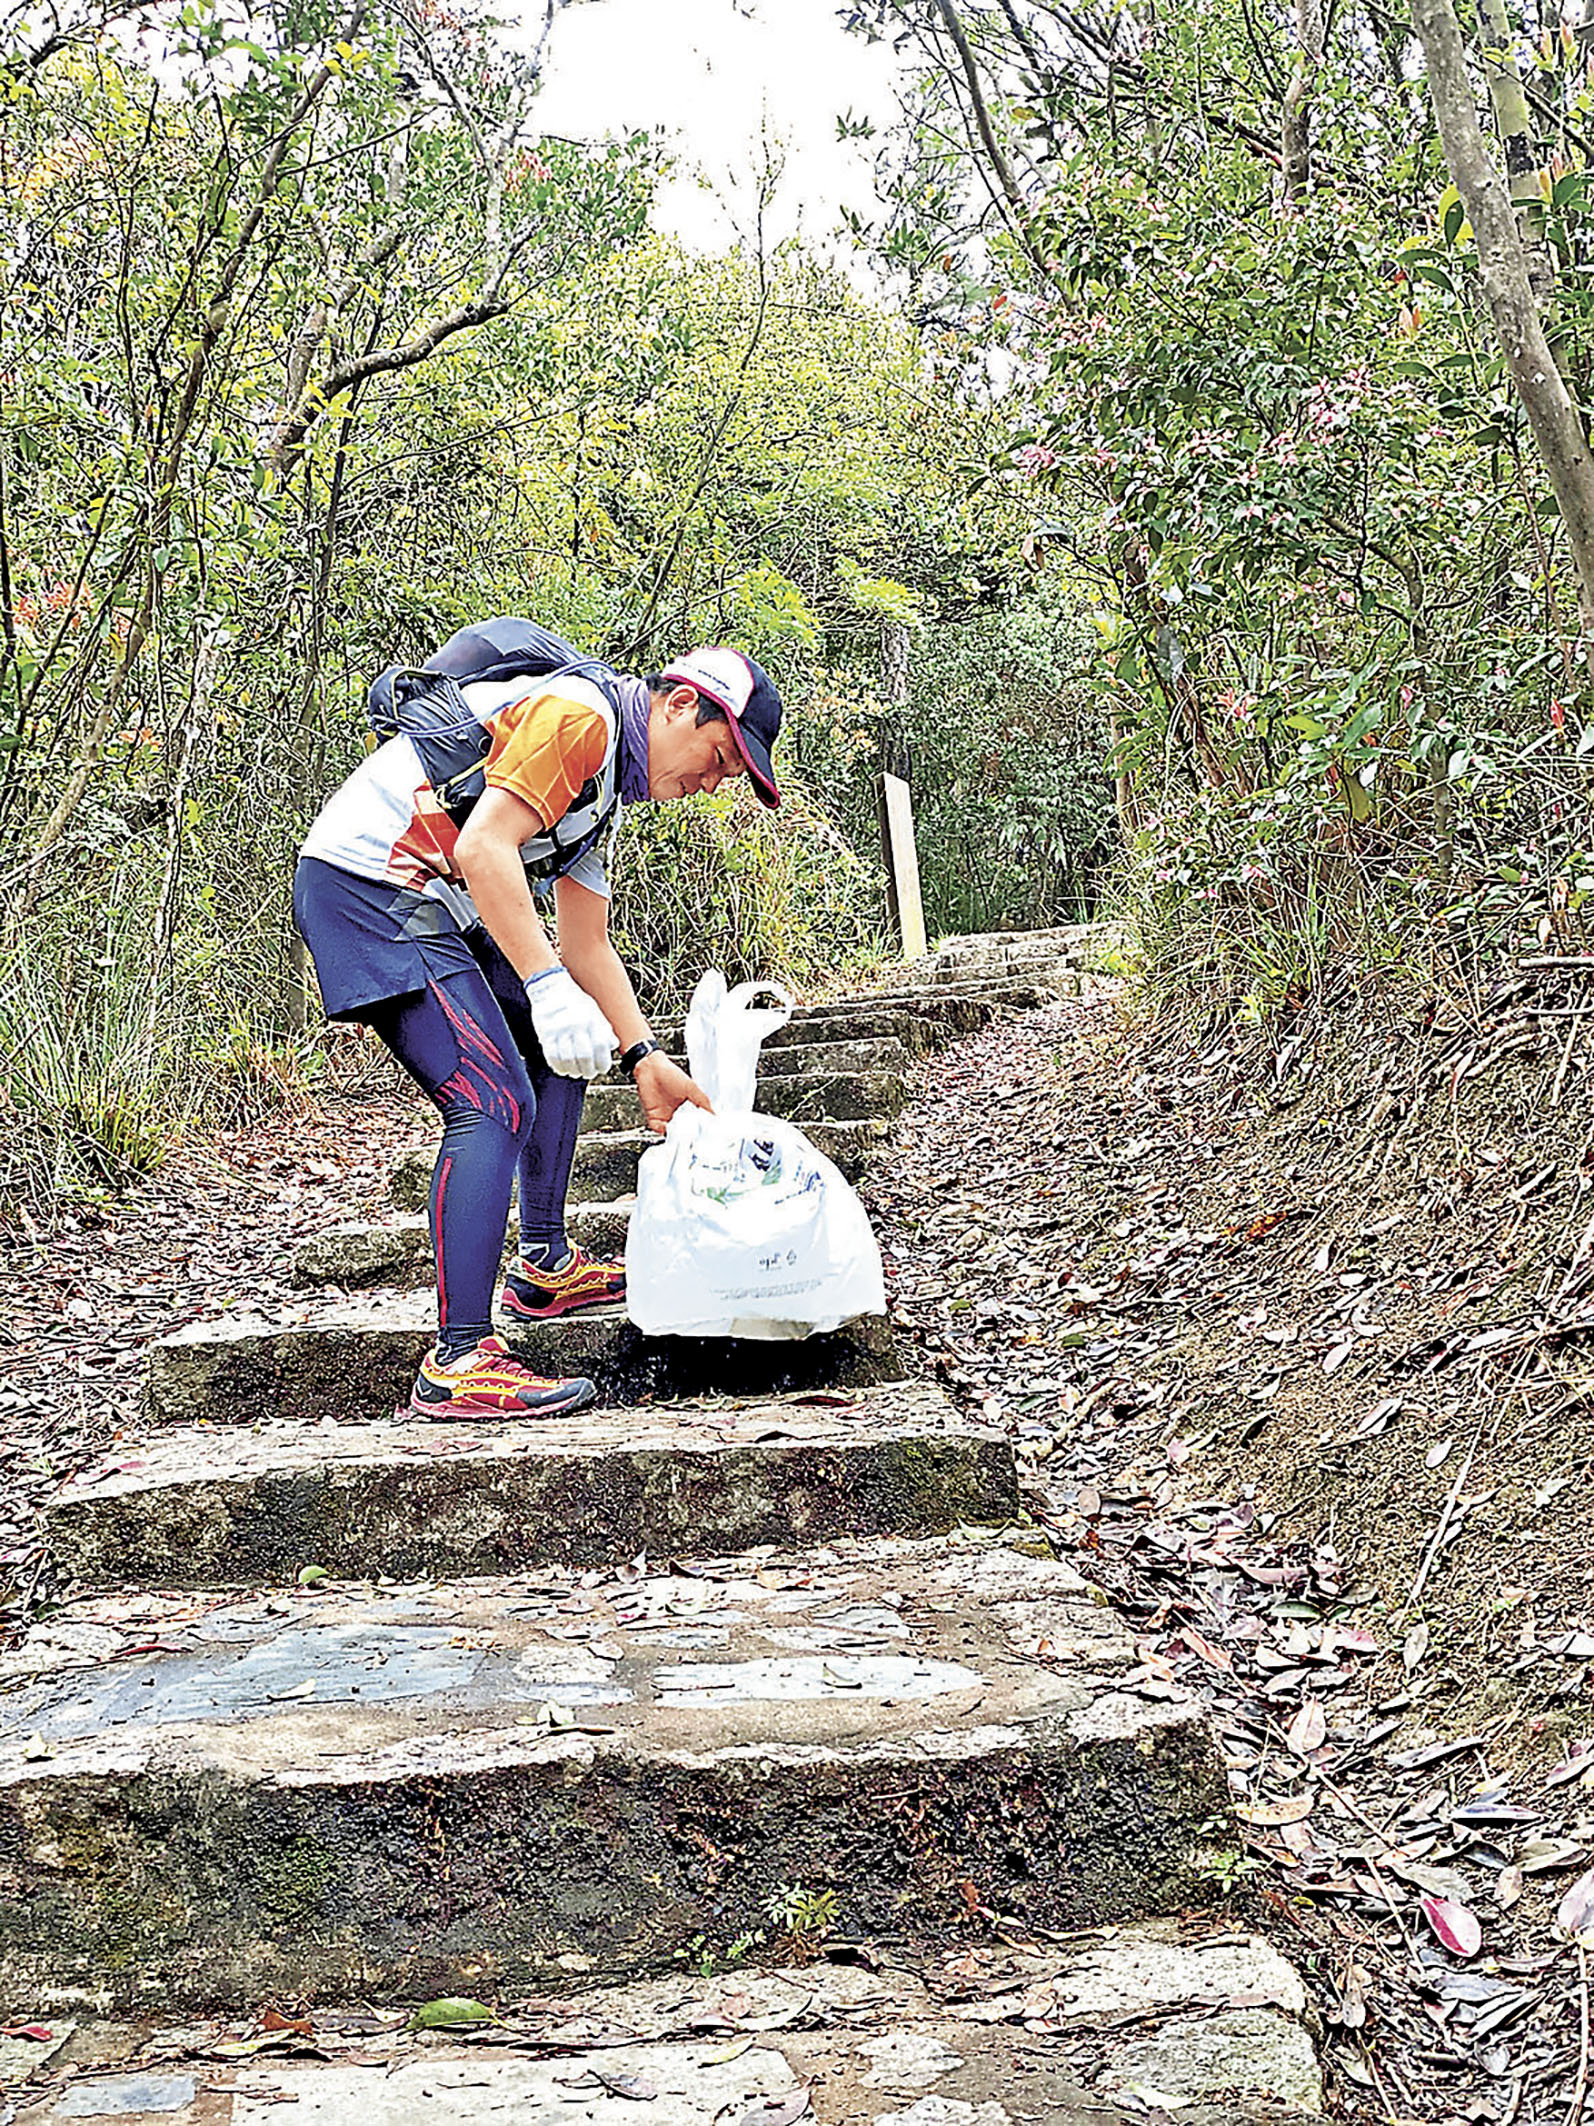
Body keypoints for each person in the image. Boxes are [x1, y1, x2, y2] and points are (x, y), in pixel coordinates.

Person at [292, 628, 783, 1420]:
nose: (714, 783)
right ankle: (458, 1360)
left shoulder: (602, 797)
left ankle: (546, 1262)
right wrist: (545, 986)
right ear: (681, 705)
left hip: (434, 901)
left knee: (566, 1048)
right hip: (370, 884)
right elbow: (487, 847)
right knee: (492, 1100)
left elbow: (586, 943)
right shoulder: (581, 717)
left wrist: (642, 1056)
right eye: (721, 759)